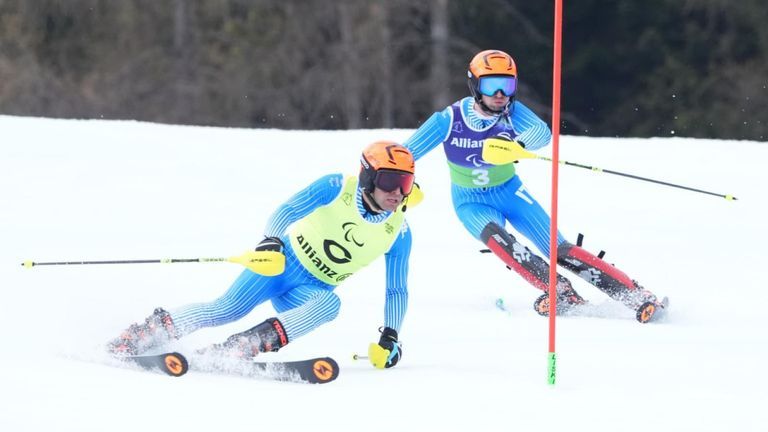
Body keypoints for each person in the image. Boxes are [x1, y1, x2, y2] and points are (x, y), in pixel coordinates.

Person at [402, 49, 666, 323]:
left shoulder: (511, 112)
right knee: (499, 239)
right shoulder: (449, 120)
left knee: (559, 249)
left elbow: (542, 132)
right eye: (492, 85)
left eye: (508, 85)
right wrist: (406, 185)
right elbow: (404, 155)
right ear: (475, 85)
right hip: (471, 202)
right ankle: (559, 291)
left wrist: (517, 146)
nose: (500, 94)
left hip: (509, 192)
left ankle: (636, 294)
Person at [108, 141, 420, 368]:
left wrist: (391, 334)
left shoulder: (399, 232)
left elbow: (396, 289)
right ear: (368, 178)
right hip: (280, 266)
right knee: (226, 309)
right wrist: (271, 239)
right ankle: (145, 333)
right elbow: (288, 209)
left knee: (330, 304)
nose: (397, 192)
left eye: (405, 183)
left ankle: (243, 346)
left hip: (310, 291)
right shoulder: (338, 187)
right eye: (389, 181)